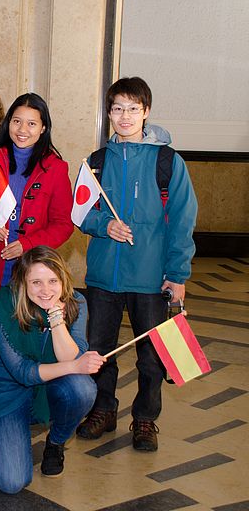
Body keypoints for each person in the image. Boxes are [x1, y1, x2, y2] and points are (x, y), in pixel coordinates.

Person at [75, 77, 197, 451]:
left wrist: (177, 274)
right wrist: (104, 224)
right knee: (99, 350)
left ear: (146, 112)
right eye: (117, 108)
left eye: (133, 108)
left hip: (150, 277)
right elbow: (79, 212)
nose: (125, 116)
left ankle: (145, 418)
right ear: (108, 113)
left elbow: (182, 220)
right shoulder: (96, 163)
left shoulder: (167, 162)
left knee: (152, 356)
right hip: (103, 278)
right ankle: (103, 409)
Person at [0, 246, 103, 493]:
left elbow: (72, 355)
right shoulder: (4, 304)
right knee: (12, 482)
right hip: (9, 391)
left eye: (52, 281)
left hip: (49, 385)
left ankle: (56, 442)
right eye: (36, 282)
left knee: (82, 388)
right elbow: (22, 372)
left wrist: (56, 319)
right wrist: (74, 365)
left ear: (63, 280)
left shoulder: (76, 302)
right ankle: (7, 429)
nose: (46, 290)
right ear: (22, 283)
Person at [0, 93, 73, 352]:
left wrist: (27, 244)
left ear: (43, 128)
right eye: (17, 121)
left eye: (32, 124)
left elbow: (62, 224)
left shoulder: (55, 168)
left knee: (24, 348)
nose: (22, 130)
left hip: (30, 270)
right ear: (8, 122)